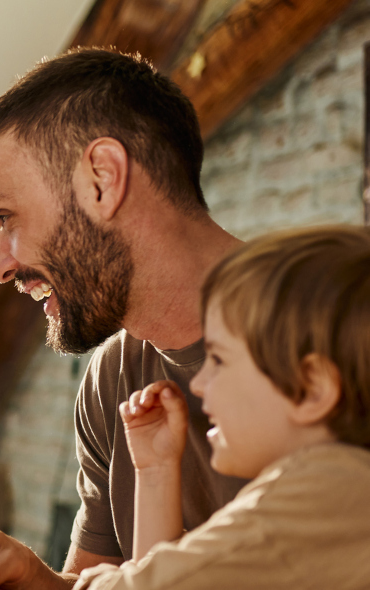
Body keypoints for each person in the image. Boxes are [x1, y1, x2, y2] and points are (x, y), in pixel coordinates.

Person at [0, 48, 247, 589]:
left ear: (102, 178)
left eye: (7, 217)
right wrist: (37, 581)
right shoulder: (113, 379)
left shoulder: (334, 327)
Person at [76, 225, 370, 588]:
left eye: (219, 359)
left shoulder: (323, 493)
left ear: (312, 389)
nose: (198, 383)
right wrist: (156, 472)